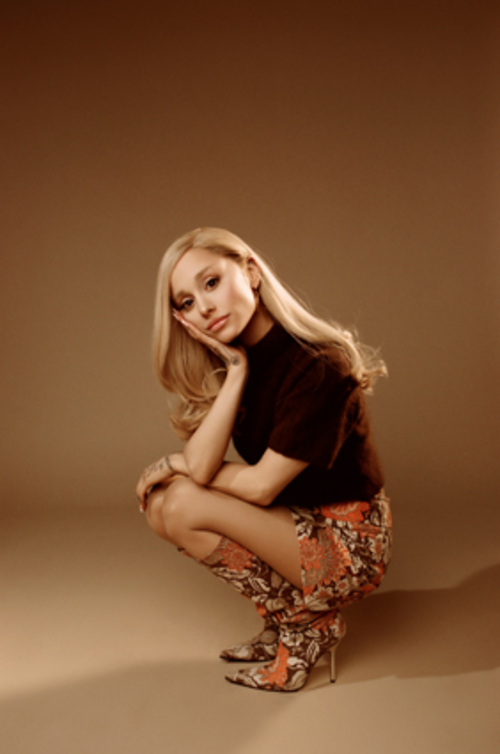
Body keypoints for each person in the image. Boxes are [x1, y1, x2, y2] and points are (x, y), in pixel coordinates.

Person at [136, 227, 392, 692]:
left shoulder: (319, 365)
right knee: (162, 505)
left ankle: (307, 627)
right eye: (187, 302)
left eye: (211, 282)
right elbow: (204, 464)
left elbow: (258, 486)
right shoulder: (240, 363)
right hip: (294, 522)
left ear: (251, 272)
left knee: (183, 500)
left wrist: (176, 463)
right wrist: (236, 372)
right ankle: (291, 617)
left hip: (349, 545)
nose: (204, 307)